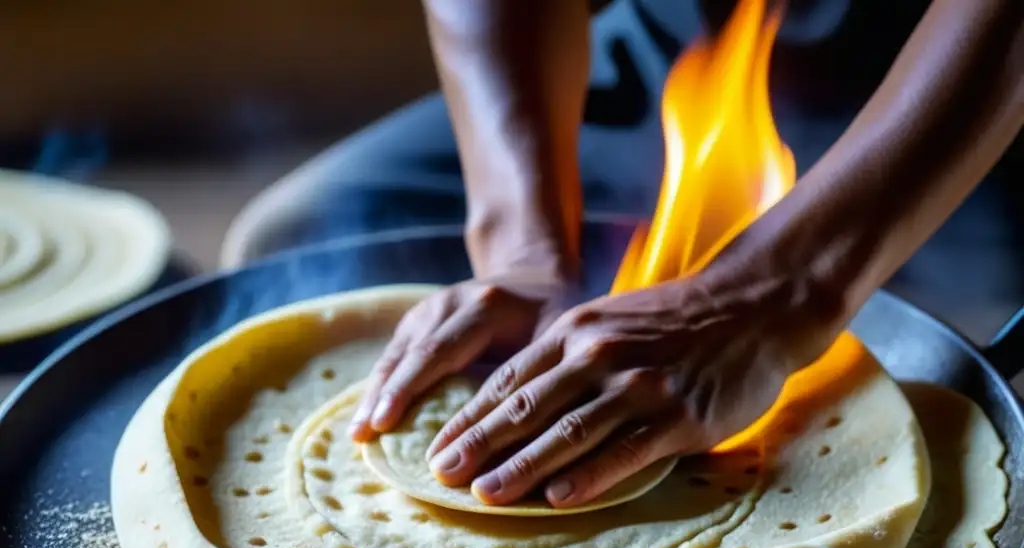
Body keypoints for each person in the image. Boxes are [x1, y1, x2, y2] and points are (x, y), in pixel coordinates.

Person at [226, 0, 1023, 509]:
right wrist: (522, 250)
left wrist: (771, 292)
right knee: (298, 235)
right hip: (672, 42)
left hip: (971, 86)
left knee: (972, 404)